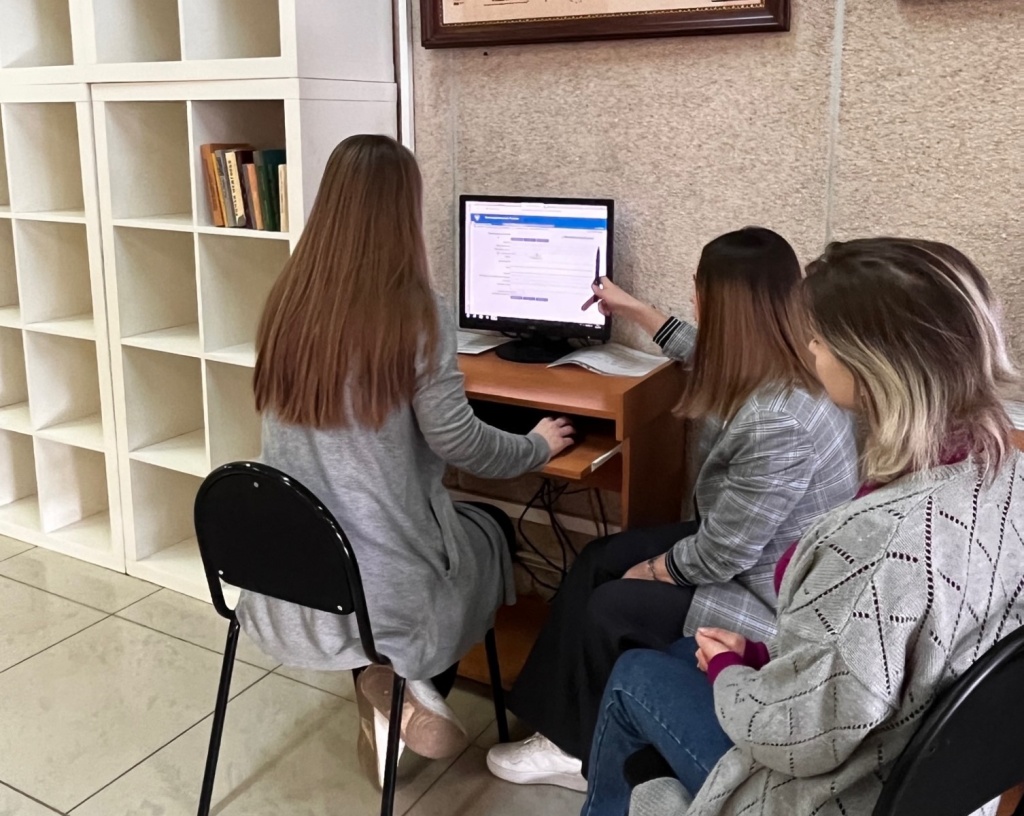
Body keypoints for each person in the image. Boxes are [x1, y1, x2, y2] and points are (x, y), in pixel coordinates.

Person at [586, 237, 1023, 816]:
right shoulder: (1006, 477)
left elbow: (796, 735)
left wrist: (732, 671)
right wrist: (764, 655)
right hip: (929, 777)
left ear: (869, 363)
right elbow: (872, 659)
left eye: (817, 338)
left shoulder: (874, 541)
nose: (808, 349)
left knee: (632, 676)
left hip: (823, 794)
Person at [235, 134, 575, 771]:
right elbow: (462, 443)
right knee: (490, 527)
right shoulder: (418, 315)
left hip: (293, 564)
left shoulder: (287, 301)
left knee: (398, 536)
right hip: (383, 578)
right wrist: (536, 445)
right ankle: (408, 682)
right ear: (403, 212)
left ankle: (389, 692)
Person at [488, 227, 860, 791]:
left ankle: (579, 752)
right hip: (739, 546)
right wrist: (633, 309)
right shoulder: (784, 357)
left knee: (613, 603)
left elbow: (723, 555)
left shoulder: (779, 421)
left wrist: (654, 569)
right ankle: (557, 725)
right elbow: (698, 348)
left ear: (720, 306)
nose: (691, 298)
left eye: (697, 289)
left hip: (764, 591)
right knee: (597, 557)